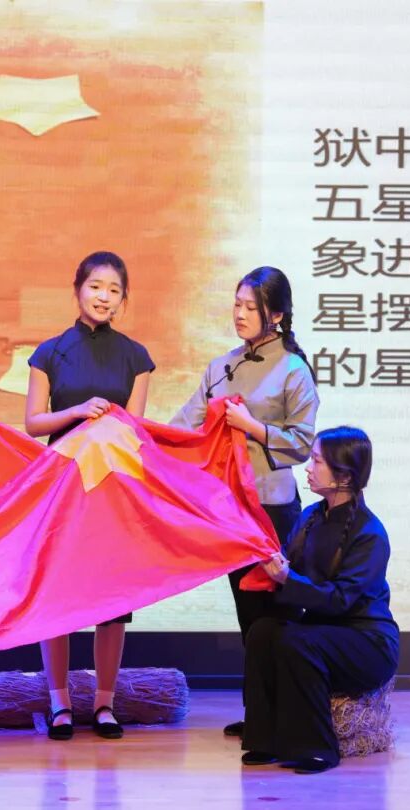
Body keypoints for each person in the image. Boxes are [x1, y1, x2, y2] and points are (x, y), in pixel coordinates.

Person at [171, 266, 319, 736]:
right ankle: (259, 714)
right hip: (229, 508)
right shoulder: (221, 366)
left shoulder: (293, 369)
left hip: (271, 507)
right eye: (236, 304)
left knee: (276, 613)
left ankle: (282, 718)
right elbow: (184, 425)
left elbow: (302, 443)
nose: (239, 314)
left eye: (250, 307)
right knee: (247, 614)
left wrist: (251, 426)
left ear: (276, 315)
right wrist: (133, 435)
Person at [25, 250, 155, 741]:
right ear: (77, 289)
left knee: (112, 600)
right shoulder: (49, 353)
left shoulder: (136, 357)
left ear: (124, 299)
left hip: (112, 491)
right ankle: (59, 702)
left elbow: (136, 430)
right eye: (96, 286)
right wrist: (77, 412)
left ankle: (104, 703)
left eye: (114, 290)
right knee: (56, 593)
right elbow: (34, 423)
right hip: (61, 489)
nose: (104, 297)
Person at [241, 426, 399, 774]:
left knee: (297, 641)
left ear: (344, 476)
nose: (308, 468)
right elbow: (287, 568)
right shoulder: (310, 517)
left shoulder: (370, 534)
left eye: (316, 461)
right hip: (320, 634)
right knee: (263, 631)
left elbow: (341, 600)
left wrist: (287, 578)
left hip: (366, 643)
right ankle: (264, 740)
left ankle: (316, 749)